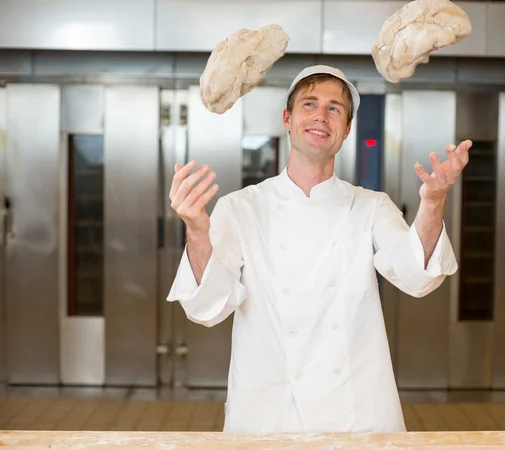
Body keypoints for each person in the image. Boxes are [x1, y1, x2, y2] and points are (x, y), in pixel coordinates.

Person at [167, 65, 471, 433]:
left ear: (345, 129)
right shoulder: (242, 207)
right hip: (269, 414)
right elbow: (207, 306)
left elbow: (416, 275)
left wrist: (433, 200)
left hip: (356, 414)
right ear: (288, 118)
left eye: (334, 108)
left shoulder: (370, 205)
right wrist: (198, 231)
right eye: (309, 104)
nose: (320, 116)